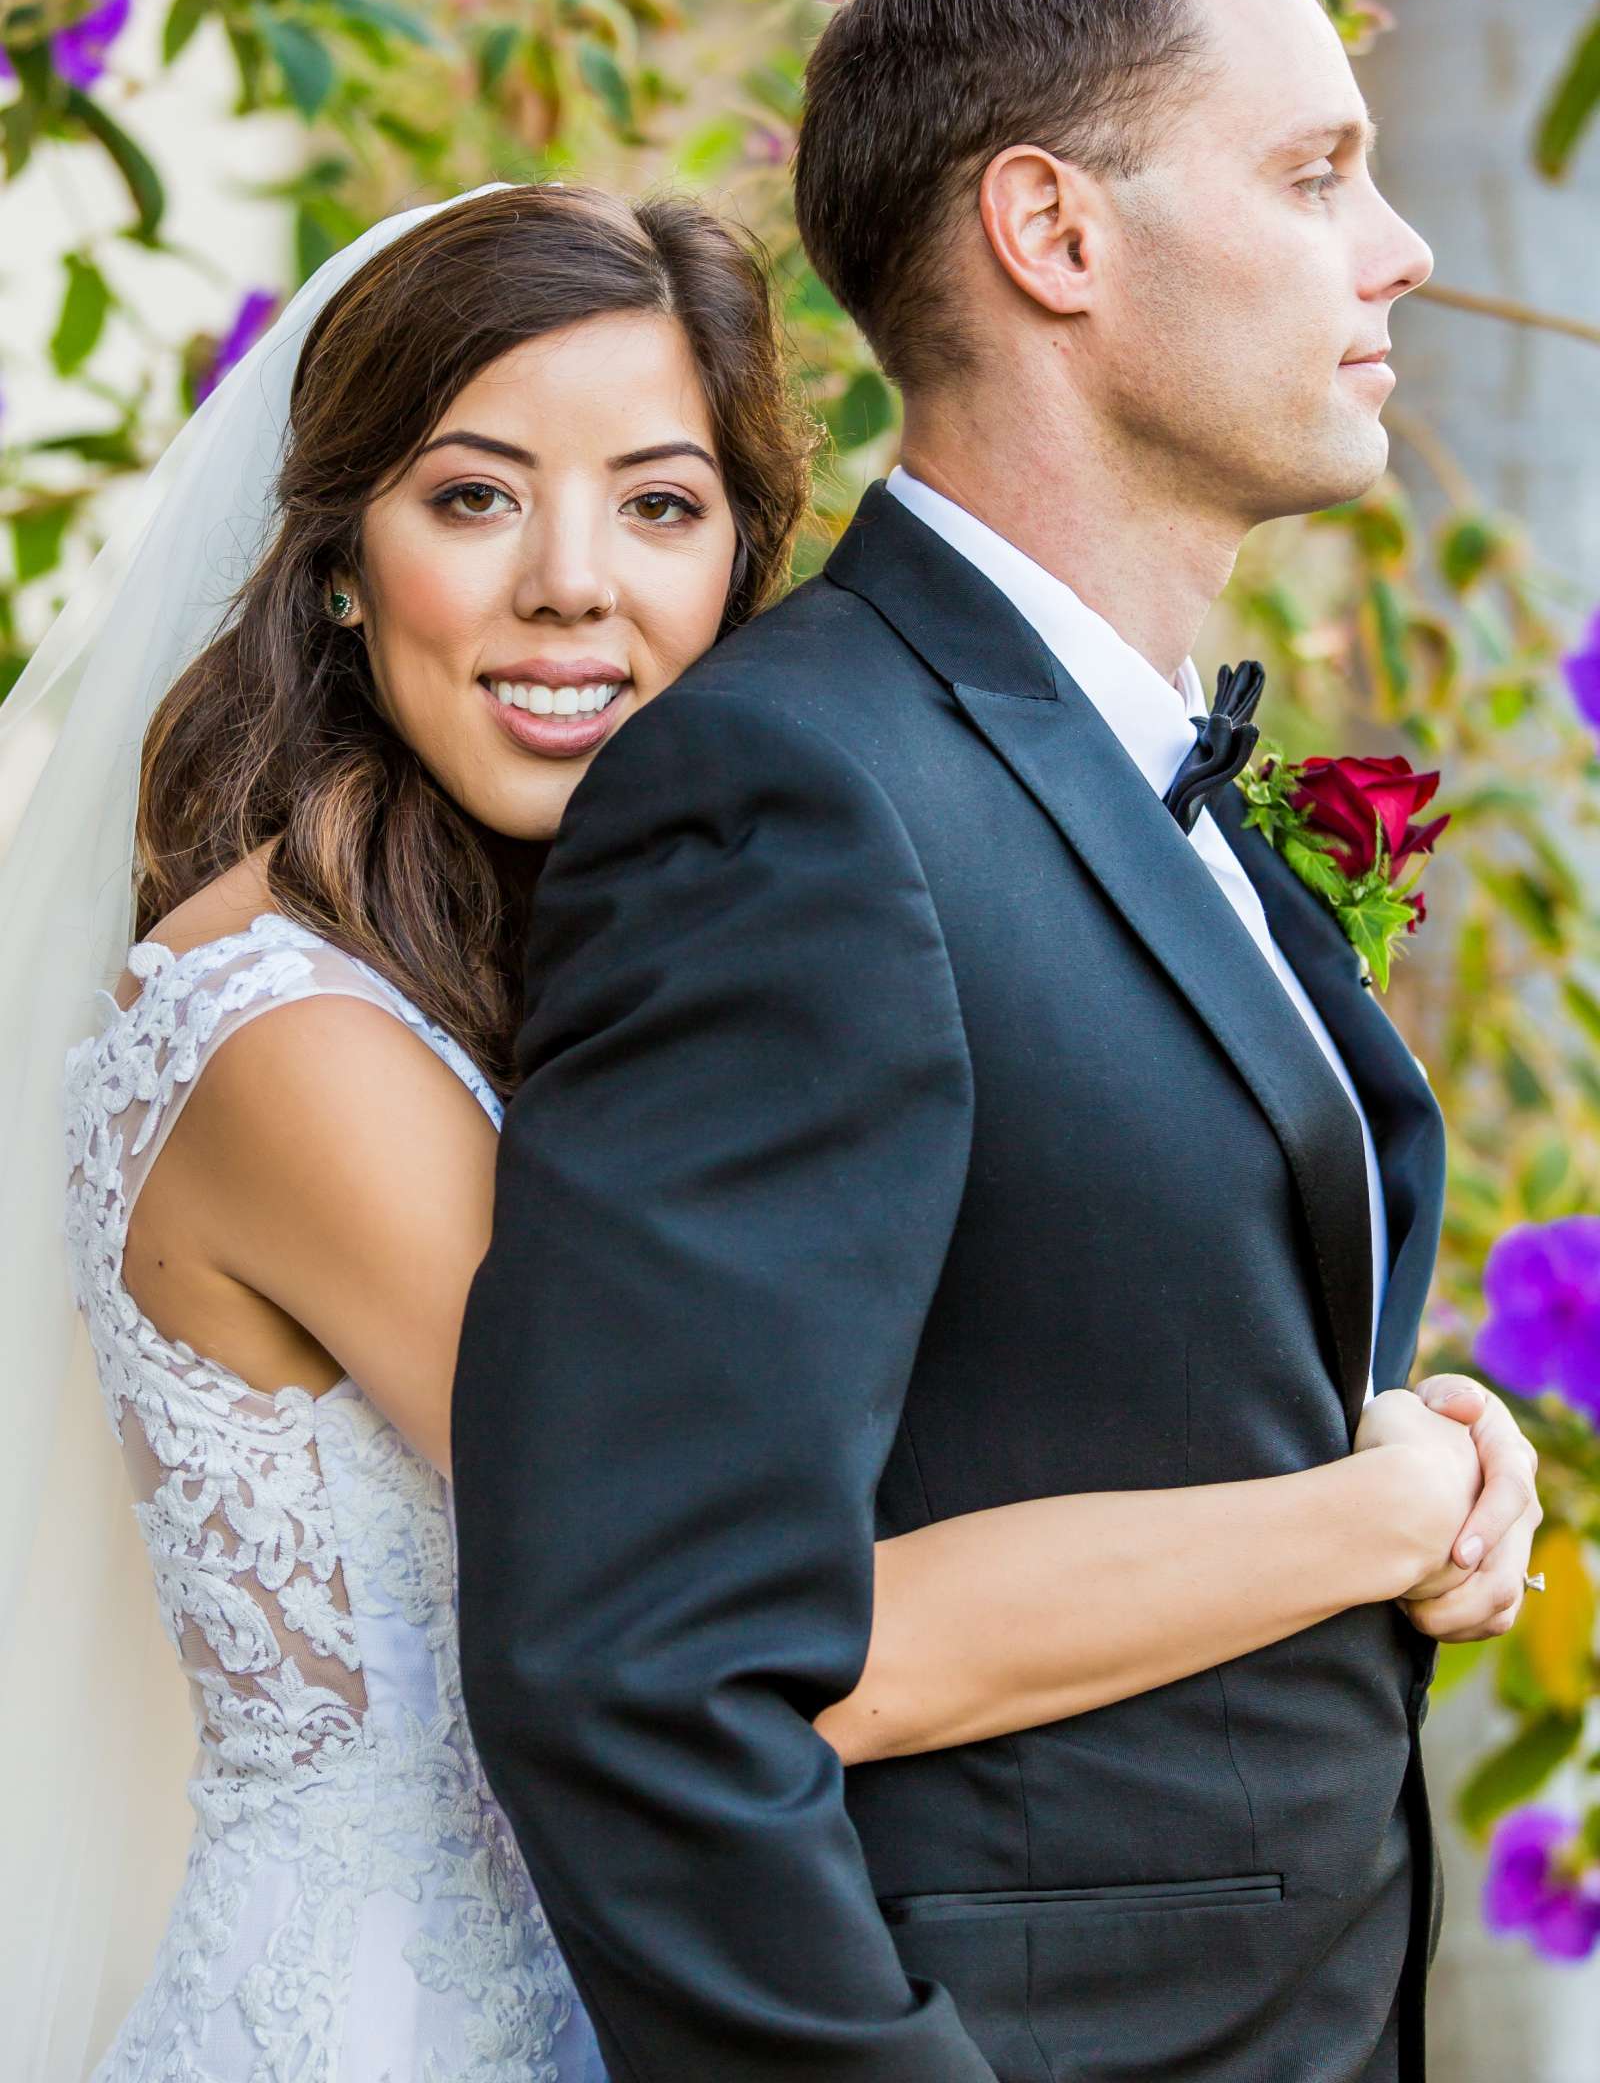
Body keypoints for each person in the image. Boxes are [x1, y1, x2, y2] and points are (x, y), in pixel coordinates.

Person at [0, 211, 1523, 2067]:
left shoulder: (607, 950)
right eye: (473, 499)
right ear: (336, 562)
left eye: (660, 505)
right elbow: (782, 1635)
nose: (575, 585)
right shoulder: (289, 1039)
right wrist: (1374, 1513)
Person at [449, 0, 1543, 2083]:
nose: (1393, 248)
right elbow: (639, 1669)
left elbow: (1105, 1353)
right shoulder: (790, 800)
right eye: (1314, 174)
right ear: (1048, 233)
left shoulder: (1142, 774)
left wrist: (1413, 1457)